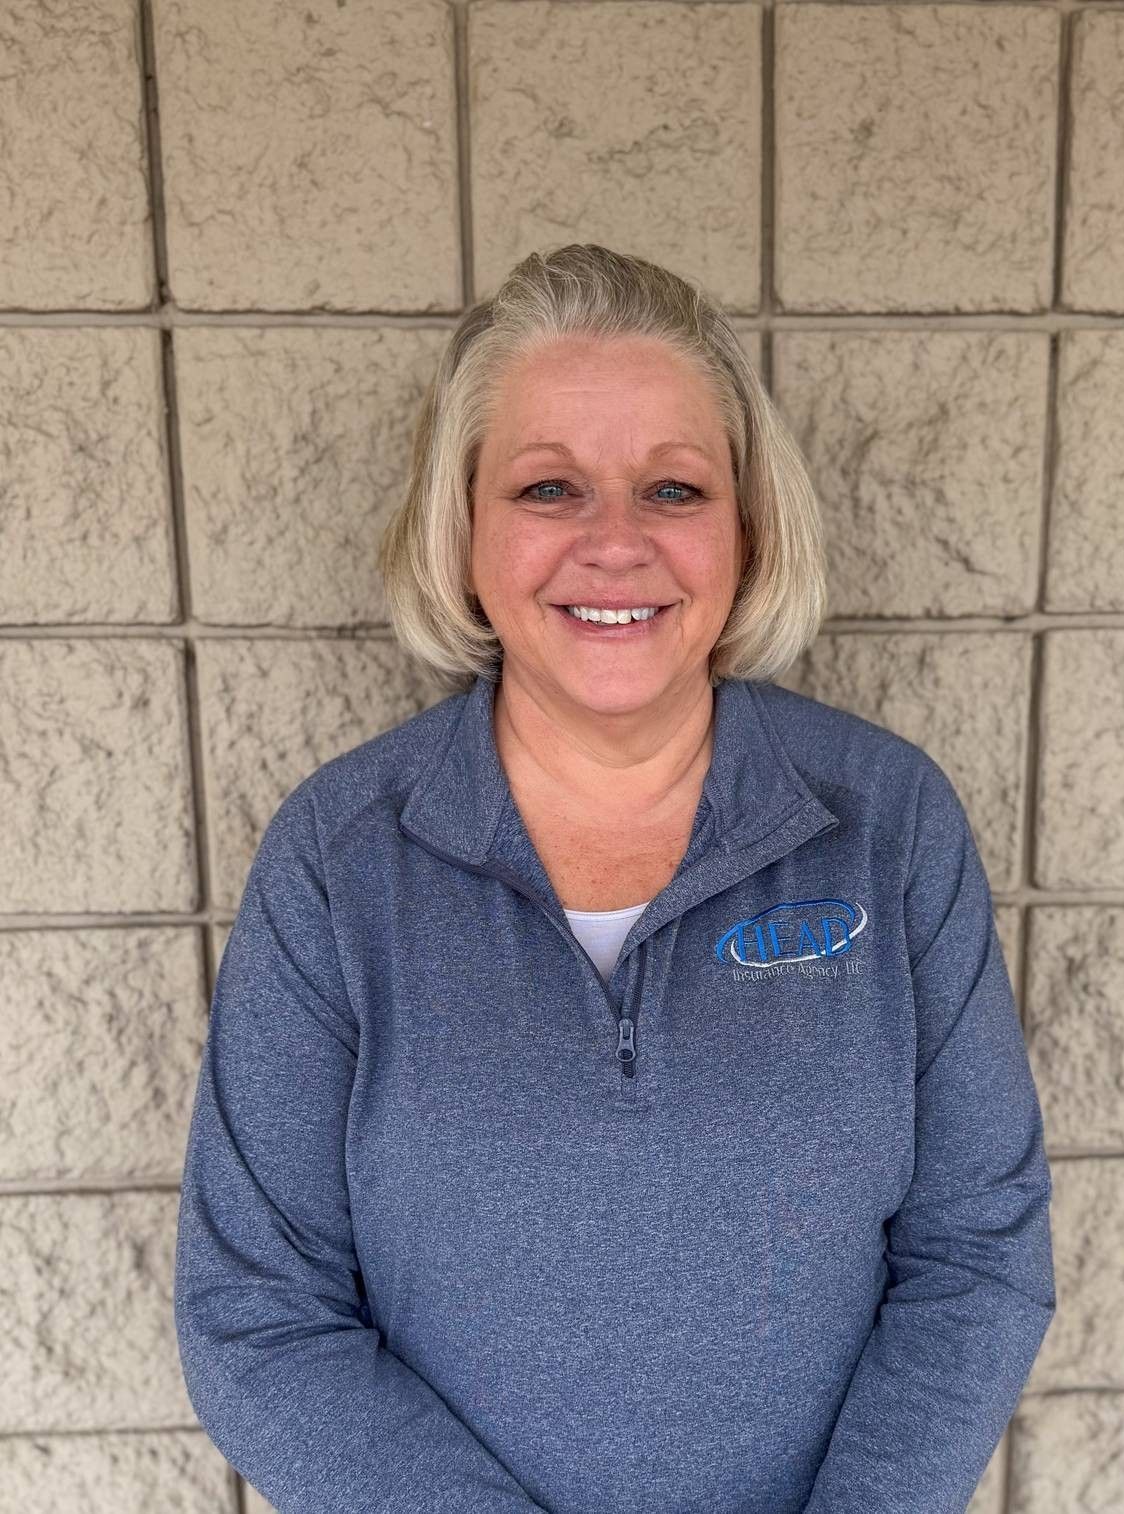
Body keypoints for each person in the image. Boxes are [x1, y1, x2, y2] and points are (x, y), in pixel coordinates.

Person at [173, 243, 1056, 1514]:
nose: (616, 544)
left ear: (746, 529)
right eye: (547, 487)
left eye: (674, 489)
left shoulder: (885, 821)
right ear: (462, 527)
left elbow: (976, 1255)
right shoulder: (338, 856)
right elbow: (255, 1317)